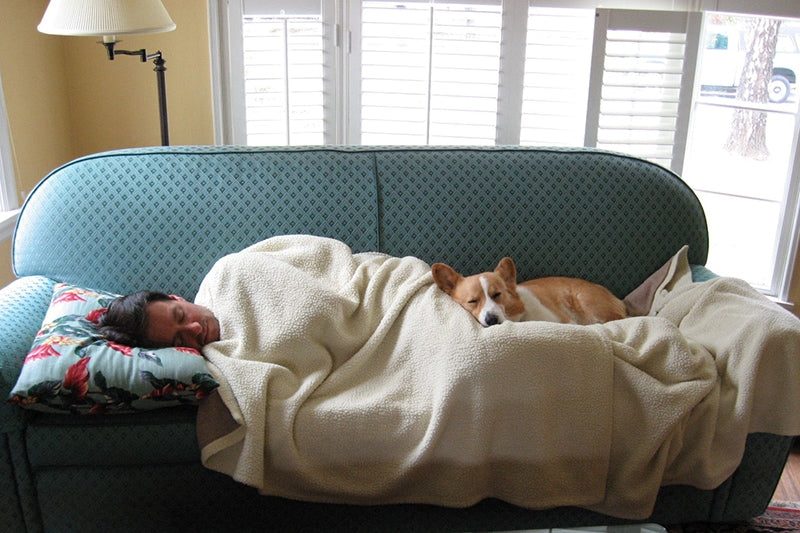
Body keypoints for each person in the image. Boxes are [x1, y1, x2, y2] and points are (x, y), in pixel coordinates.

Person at [98, 290, 220, 351]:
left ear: (176, 298)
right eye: (180, 341)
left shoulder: (223, 278)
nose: (196, 328)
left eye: (181, 315)